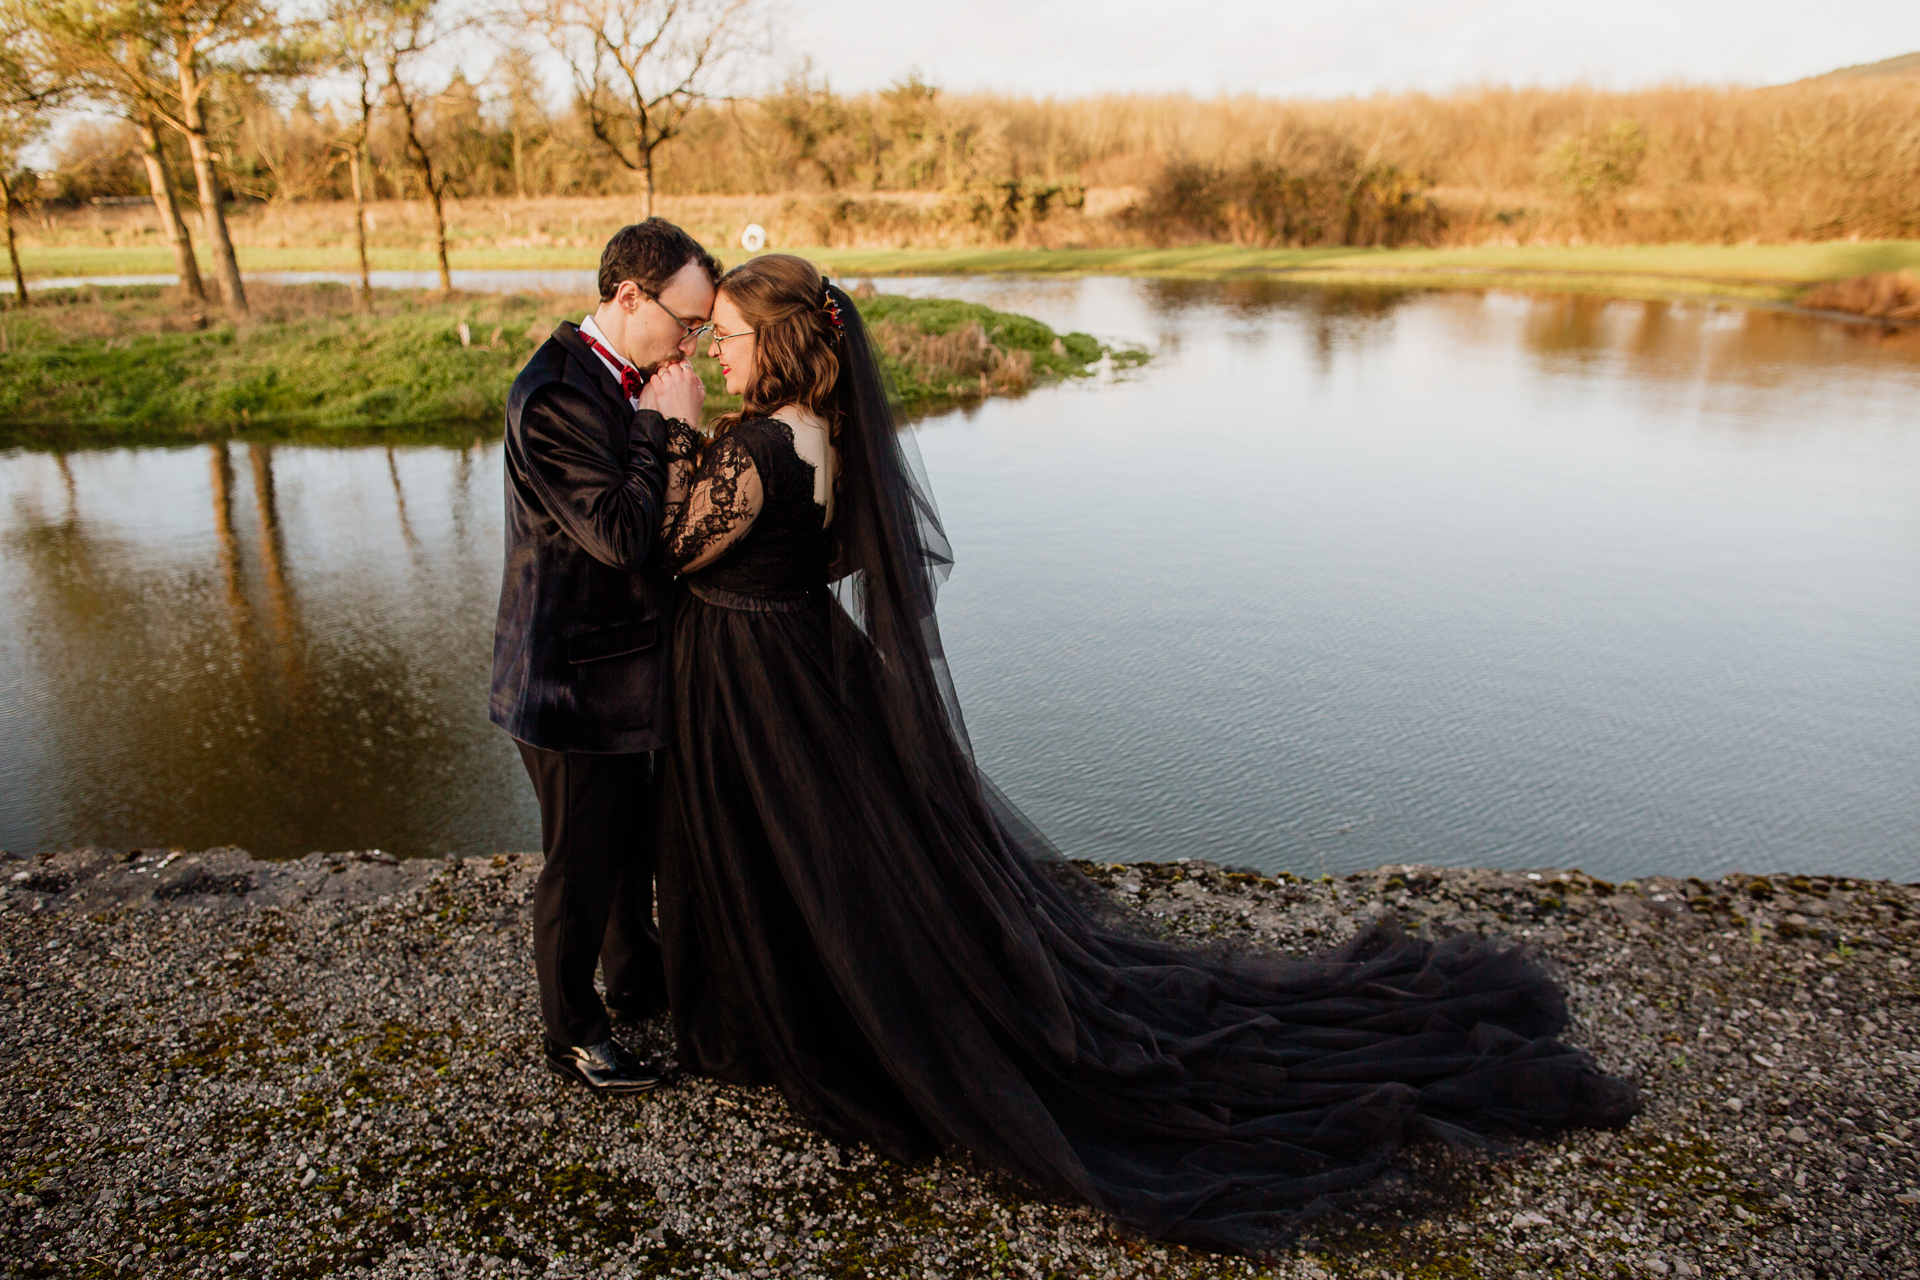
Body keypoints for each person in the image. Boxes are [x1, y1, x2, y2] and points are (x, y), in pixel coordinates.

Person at [651, 253, 1641, 1251]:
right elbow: (845, 550)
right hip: (800, 659)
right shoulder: (826, 433)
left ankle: (803, 1020)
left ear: (777, 339)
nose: (716, 352)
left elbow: (675, 548)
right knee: (814, 845)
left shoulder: (758, 448)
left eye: (727, 335)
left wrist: (677, 429)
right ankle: (813, 999)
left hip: (757, 672)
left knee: (774, 836)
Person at [490, 218, 717, 1094]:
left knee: (628, 845)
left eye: (702, 330)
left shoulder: (627, 379)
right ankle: (573, 1032)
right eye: (684, 322)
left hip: (626, 671)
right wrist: (666, 431)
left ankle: (634, 978)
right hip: (565, 683)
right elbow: (623, 536)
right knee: (580, 865)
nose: (690, 343)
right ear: (628, 296)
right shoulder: (553, 396)